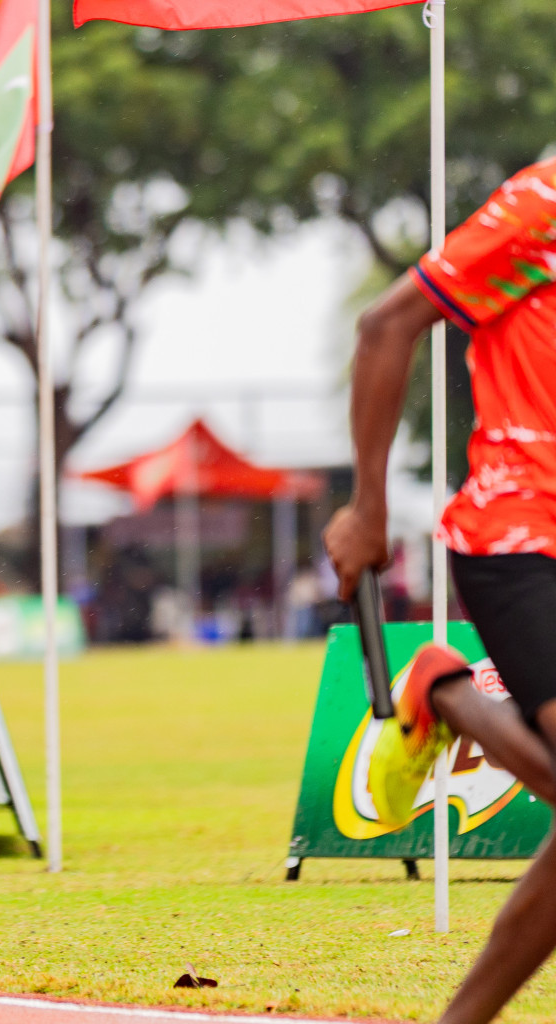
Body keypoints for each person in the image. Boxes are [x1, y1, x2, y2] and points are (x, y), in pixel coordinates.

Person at [325, 155, 556, 1024]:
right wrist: (369, 507)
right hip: (518, 531)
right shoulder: (541, 205)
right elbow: (387, 326)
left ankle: (443, 690)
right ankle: (442, 690)